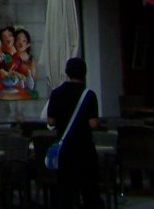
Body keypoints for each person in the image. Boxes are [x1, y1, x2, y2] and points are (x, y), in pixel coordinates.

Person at [46, 56, 101, 209]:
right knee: (90, 190)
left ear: (67, 73)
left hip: (65, 151)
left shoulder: (56, 93)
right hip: (84, 149)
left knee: (65, 192)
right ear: (84, 73)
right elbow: (93, 123)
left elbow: (51, 121)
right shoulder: (89, 95)